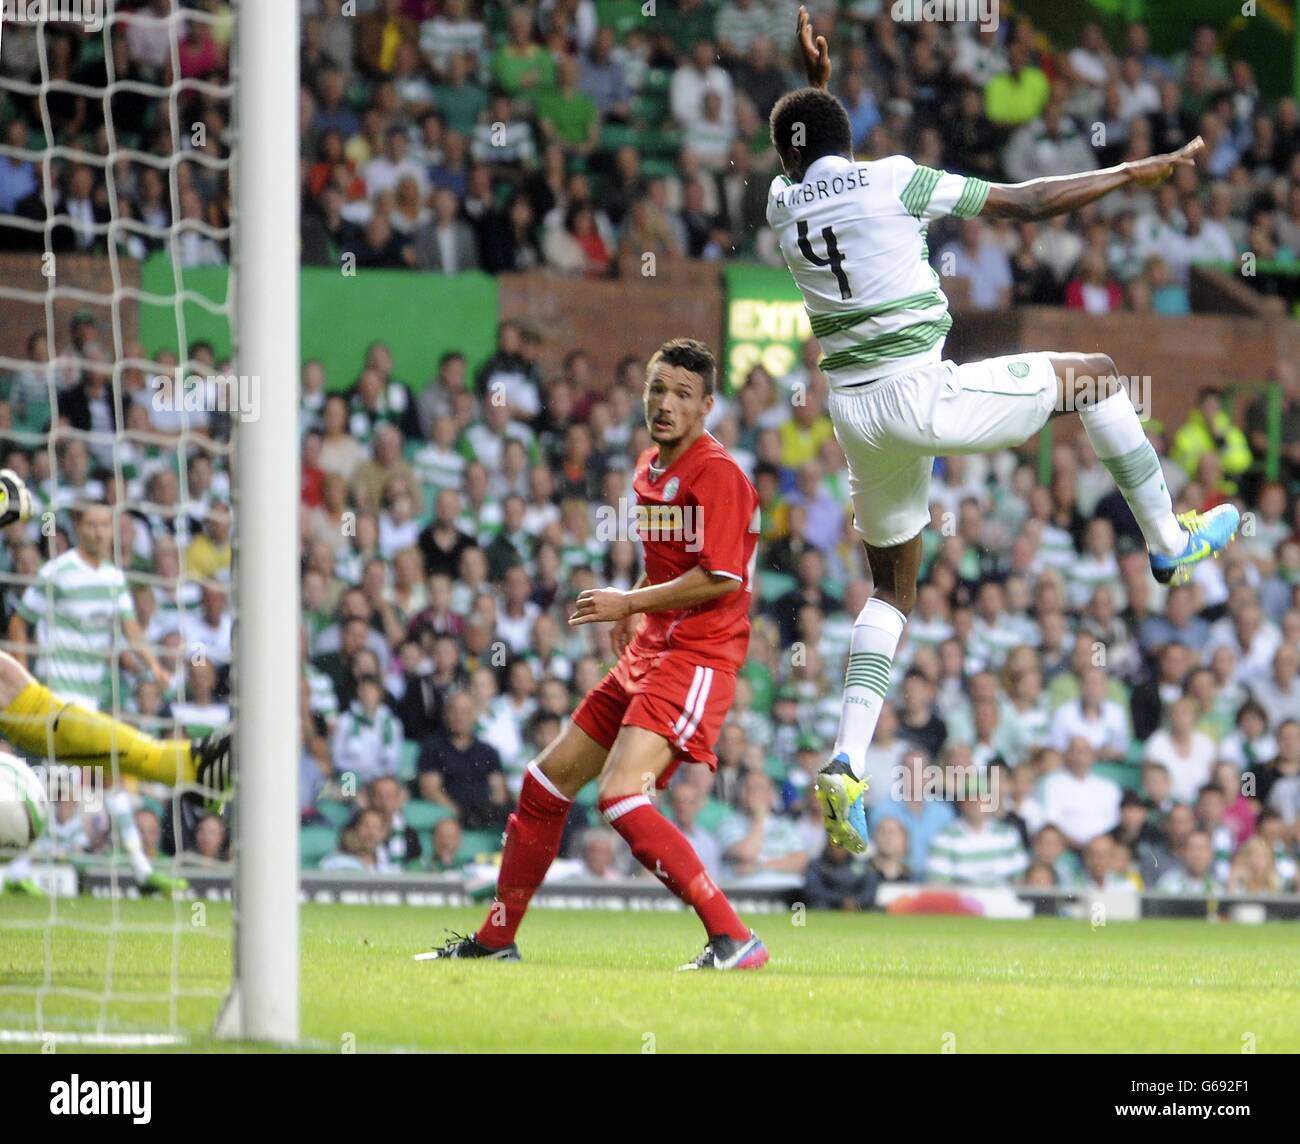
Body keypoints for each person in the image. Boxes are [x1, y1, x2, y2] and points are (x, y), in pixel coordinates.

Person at [767, 9, 1239, 853]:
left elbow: (809, 160)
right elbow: (1029, 203)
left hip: (857, 416)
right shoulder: (897, 179)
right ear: (847, 134)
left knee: (891, 591)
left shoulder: (780, 203)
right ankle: (1168, 543)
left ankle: (846, 759)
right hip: (923, 395)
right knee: (1095, 373)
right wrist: (1139, 170)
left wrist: (815, 91)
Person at [420, 340, 769, 970]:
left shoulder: (718, 475)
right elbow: (671, 563)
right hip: (651, 650)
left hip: (697, 657)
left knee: (620, 796)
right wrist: (637, 603)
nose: (665, 404)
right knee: (544, 784)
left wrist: (629, 604)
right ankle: (497, 939)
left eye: (682, 395)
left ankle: (734, 937)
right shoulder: (649, 469)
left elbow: (723, 577)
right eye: (658, 389)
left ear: (707, 407)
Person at [0, 489, 230, 893]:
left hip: (90, 695)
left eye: (105, 524)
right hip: (54, 695)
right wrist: (22, 673)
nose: (99, 531)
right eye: (91, 523)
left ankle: (136, 870)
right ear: (79, 528)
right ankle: (22, 873)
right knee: (57, 783)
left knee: (94, 780)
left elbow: (131, 630)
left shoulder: (114, 578)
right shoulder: (58, 572)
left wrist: (154, 666)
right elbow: (20, 621)